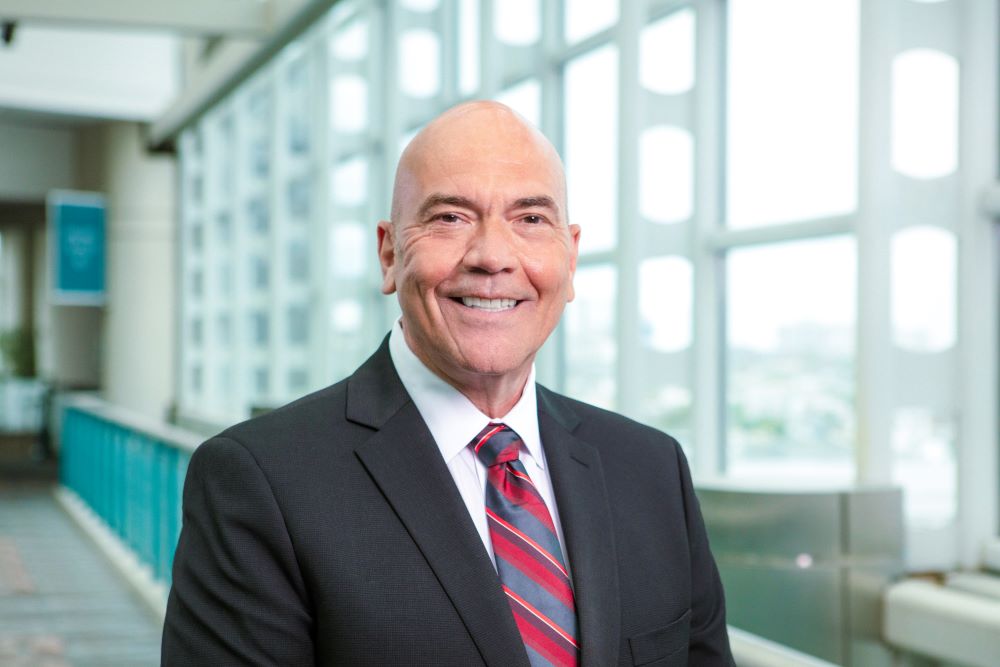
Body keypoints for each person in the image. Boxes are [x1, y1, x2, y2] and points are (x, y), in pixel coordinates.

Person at [161, 101, 734, 666]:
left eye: (530, 219)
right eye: (450, 218)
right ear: (389, 253)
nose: (492, 257)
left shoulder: (652, 468)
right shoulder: (260, 481)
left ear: (571, 256)